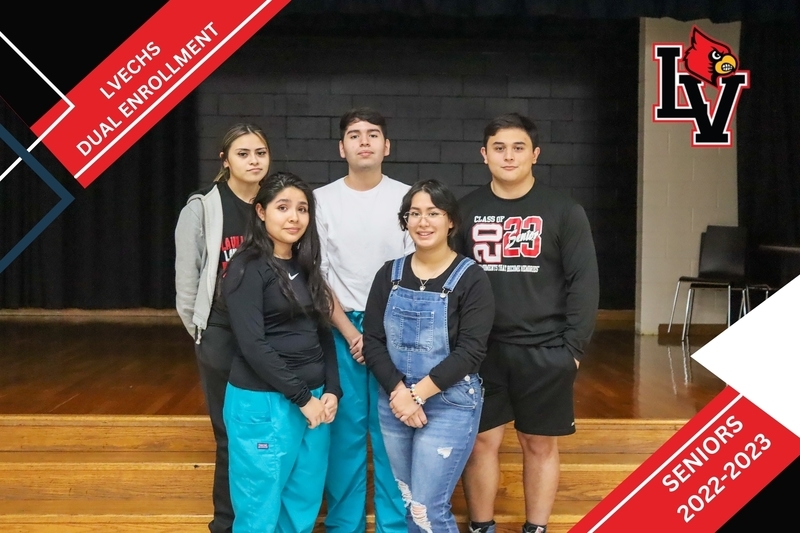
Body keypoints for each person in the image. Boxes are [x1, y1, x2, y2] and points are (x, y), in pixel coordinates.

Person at [458, 114, 600, 533]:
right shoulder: (465, 211)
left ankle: (535, 528)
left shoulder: (564, 211)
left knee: (538, 443)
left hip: (545, 349)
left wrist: (572, 352)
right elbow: (451, 278)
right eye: (499, 148)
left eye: (518, 147)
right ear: (484, 155)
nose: (509, 156)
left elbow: (584, 283)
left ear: (535, 154)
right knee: (480, 442)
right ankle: (481, 526)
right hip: (481, 350)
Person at [363, 179, 495, 532]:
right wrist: (399, 393)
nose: (423, 222)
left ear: (451, 221)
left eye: (433, 213)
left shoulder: (471, 278)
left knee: (427, 510)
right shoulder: (388, 274)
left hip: (450, 402)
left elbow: (471, 351)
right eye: (414, 213)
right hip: (395, 402)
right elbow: (372, 341)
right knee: (410, 505)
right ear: (405, 220)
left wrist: (417, 395)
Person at [220, 172, 342, 532]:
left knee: (302, 504)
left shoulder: (305, 265)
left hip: (314, 402)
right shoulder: (246, 267)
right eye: (283, 207)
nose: (294, 217)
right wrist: (303, 398)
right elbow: (252, 345)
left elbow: (323, 331)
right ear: (261, 212)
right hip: (265, 404)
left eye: (302, 209)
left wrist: (332, 389)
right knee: (258, 511)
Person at [314, 107, 411, 533]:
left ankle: (396, 526)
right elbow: (317, 277)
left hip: (397, 328)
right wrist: (353, 333)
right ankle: (344, 526)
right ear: (342, 148)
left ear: (387, 146)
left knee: (393, 435)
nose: (364, 141)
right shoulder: (321, 200)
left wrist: (379, 336)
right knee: (345, 438)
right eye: (355, 135)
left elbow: (416, 267)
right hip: (343, 330)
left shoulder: (408, 198)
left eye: (373, 134)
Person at [175, 122, 271, 533]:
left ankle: (264, 518)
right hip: (221, 332)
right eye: (243, 154)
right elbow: (187, 283)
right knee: (230, 433)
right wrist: (203, 332)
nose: (254, 161)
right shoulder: (202, 208)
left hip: (270, 334)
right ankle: (227, 523)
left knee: (267, 429)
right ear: (225, 160)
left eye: (260, 153)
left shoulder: (276, 202)